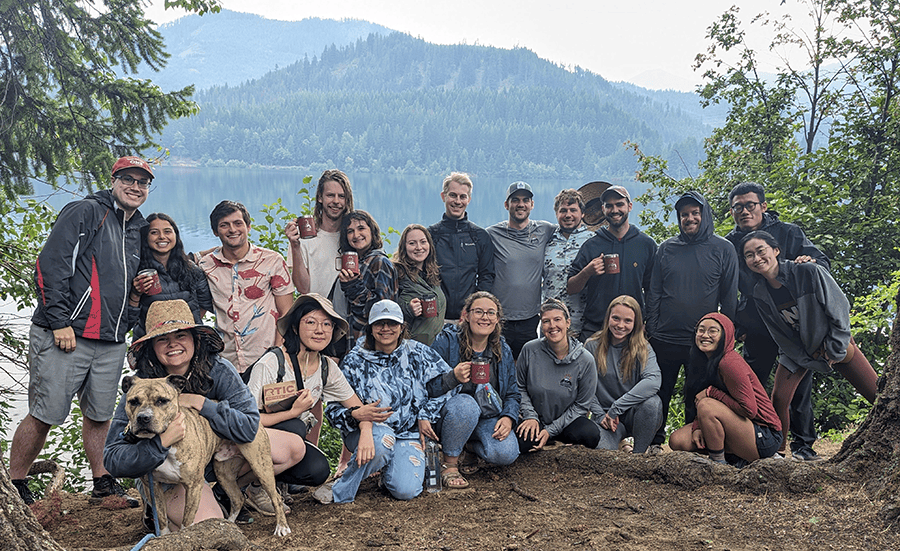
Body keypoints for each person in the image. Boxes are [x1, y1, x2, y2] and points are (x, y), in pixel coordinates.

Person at [10, 155, 153, 507]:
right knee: (45, 413)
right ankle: (15, 482)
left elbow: (131, 285)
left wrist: (133, 312)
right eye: (128, 179)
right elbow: (50, 265)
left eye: (143, 182)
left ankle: (102, 481)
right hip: (66, 334)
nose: (135, 187)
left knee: (100, 414)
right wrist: (59, 321)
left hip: (111, 339)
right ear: (113, 179)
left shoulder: (139, 228)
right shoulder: (85, 212)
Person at [103, 300, 295, 531]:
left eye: (181, 336)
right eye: (163, 338)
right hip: (161, 467)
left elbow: (250, 427)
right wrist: (161, 442)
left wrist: (202, 403)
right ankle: (159, 508)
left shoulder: (219, 369)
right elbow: (113, 459)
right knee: (207, 528)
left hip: (205, 456)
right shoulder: (140, 387)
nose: (172, 344)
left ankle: (227, 494)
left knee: (293, 448)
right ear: (152, 346)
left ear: (195, 340)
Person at [740, 231, 878, 457]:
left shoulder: (807, 272)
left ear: (775, 250)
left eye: (760, 251)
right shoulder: (759, 292)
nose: (756, 258)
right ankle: (778, 452)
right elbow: (778, 333)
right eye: (749, 255)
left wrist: (835, 347)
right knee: (779, 398)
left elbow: (840, 308)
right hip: (797, 350)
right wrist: (803, 355)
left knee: (876, 394)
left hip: (833, 344)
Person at [245, 293, 391, 507]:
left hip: (286, 442)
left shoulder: (326, 367)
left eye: (326, 324)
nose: (320, 330)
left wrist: (367, 432)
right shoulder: (271, 363)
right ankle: (254, 488)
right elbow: (247, 421)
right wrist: (293, 413)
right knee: (294, 426)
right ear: (295, 327)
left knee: (318, 470)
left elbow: (358, 406)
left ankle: (274, 481)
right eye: (311, 322)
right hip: (249, 439)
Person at [725, 181, 828, 461]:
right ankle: (756, 444)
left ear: (763, 206)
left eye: (750, 205)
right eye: (738, 207)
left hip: (791, 324)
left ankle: (804, 447)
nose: (744, 211)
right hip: (756, 325)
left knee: (797, 389)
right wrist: (736, 324)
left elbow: (821, 263)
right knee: (750, 384)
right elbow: (726, 288)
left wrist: (809, 261)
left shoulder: (788, 233)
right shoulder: (729, 244)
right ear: (732, 211)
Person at [322, 300, 455, 503]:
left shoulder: (417, 352)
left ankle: (386, 473)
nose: (386, 329)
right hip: (367, 433)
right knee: (383, 441)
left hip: (407, 434)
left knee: (406, 491)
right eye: (379, 323)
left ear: (402, 327)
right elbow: (331, 409)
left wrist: (426, 414)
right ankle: (341, 489)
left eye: (392, 323)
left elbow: (450, 384)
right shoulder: (354, 361)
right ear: (370, 328)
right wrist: (354, 415)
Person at [644, 191, 738, 451]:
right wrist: (651, 327)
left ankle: (696, 443)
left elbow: (729, 298)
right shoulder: (667, 248)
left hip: (703, 341)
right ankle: (654, 441)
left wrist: (725, 338)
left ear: (704, 214)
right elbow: (654, 292)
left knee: (696, 394)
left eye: (695, 213)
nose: (690, 218)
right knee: (659, 392)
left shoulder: (723, 249)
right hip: (664, 337)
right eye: (684, 214)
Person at [429, 292, 521, 488]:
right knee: (466, 404)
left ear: (497, 319)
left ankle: (466, 448)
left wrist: (508, 417)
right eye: (478, 311)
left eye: (490, 313)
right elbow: (427, 387)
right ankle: (450, 464)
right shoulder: (446, 341)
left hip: (486, 416)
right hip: (450, 415)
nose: (484, 317)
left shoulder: (501, 349)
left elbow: (512, 391)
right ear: (466, 315)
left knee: (506, 453)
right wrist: (452, 377)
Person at [668, 313, 783, 464]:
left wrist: (712, 393)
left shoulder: (729, 362)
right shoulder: (702, 361)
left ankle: (719, 464)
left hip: (765, 435)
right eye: (701, 330)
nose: (705, 335)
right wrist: (697, 426)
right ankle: (736, 458)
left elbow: (749, 410)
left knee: (707, 404)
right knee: (677, 440)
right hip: (736, 424)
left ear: (725, 336)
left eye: (713, 331)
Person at [199, 200, 294, 374]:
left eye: (238, 223)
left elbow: (286, 313)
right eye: (224, 225)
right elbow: (198, 312)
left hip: (265, 359)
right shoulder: (206, 266)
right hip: (224, 360)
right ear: (215, 231)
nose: (232, 230)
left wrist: (277, 354)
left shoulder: (272, 261)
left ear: (248, 227)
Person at [568, 185, 657, 341]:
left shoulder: (646, 245)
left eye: (619, 204)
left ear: (629, 206)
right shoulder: (592, 245)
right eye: (609, 206)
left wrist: (646, 322)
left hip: (631, 329)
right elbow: (570, 287)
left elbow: (652, 290)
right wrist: (587, 271)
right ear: (603, 209)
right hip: (596, 328)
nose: (614, 210)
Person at [515, 299, 600, 452]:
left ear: (568, 323)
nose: (552, 326)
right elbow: (519, 387)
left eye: (557, 319)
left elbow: (581, 405)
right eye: (546, 321)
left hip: (567, 422)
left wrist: (551, 430)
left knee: (590, 435)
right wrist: (530, 416)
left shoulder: (585, 360)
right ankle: (548, 443)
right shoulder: (529, 350)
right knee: (522, 442)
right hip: (536, 419)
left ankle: (554, 441)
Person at [586, 295, 663, 454]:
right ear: (608, 318)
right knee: (602, 452)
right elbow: (585, 387)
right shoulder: (592, 345)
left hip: (634, 415)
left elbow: (653, 381)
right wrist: (600, 415)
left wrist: (617, 408)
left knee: (652, 404)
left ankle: (638, 456)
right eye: (615, 318)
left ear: (636, 323)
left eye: (627, 321)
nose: (620, 325)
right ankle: (620, 442)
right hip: (606, 419)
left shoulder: (643, 348)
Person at [487, 182, 555, 359]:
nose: (520, 204)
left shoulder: (545, 230)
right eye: (515, 200)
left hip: (530, 318)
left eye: (526, 200)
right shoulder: (492, 234)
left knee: (527, 369)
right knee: (498, 365)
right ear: (506, 204)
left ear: (532, 204)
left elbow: (573, 228)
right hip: (499, 319)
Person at [131, 213, 213, 339]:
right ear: (145, 237)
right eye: (154, 232)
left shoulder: (191, 269)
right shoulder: (136, 271)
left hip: (189, 340)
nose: (162, 237)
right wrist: (135, 294)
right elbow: (126, 319)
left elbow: (205, 303)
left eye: (167, 231)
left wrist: (188, 322)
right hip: (150, 342)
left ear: (175, 235)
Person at [285, 169, 354, 318]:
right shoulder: (303, 238)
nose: (336, 201)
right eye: (330, 195)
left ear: (347, 200)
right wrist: (295, 246)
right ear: (320, 198)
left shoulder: (353, 238)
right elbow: (303, 288)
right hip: (315, 317)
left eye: (341, 196)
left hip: (347, 320)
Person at [428, 172, 495, 322]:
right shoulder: (431, 235)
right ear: (443, 196)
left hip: (468, 318)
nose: (457, 201)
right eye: (453, 195)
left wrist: (474, 307)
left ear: (469, 200)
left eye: (463, 196)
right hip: (435, 317)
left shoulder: (480, 236)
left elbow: (487, 276)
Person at [339, 210, 398, 339]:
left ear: (372, 231)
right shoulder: (356, 262)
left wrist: (352, 286)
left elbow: (382, 310)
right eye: (350, 231)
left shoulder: (380, 261)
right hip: (352, 338)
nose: (356, 235)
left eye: (361, 228)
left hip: (371, 340)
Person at [542, 188, 593, 336]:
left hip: (582, 322)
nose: (568, 215)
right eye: (563, 210)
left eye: (573, 210)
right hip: (550, 323)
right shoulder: (546, 239)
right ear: (556, 213)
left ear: (582, 214)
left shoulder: (593, 240)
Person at [393, 224, 447, 345]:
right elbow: (389, 306)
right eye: (412, 243)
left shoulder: (432, 273)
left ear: (429, 245)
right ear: (404, 247)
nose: (419, 247)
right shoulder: (397, 273)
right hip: (412, 346)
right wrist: (408, 309)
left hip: (435, 347)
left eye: (423, 242)